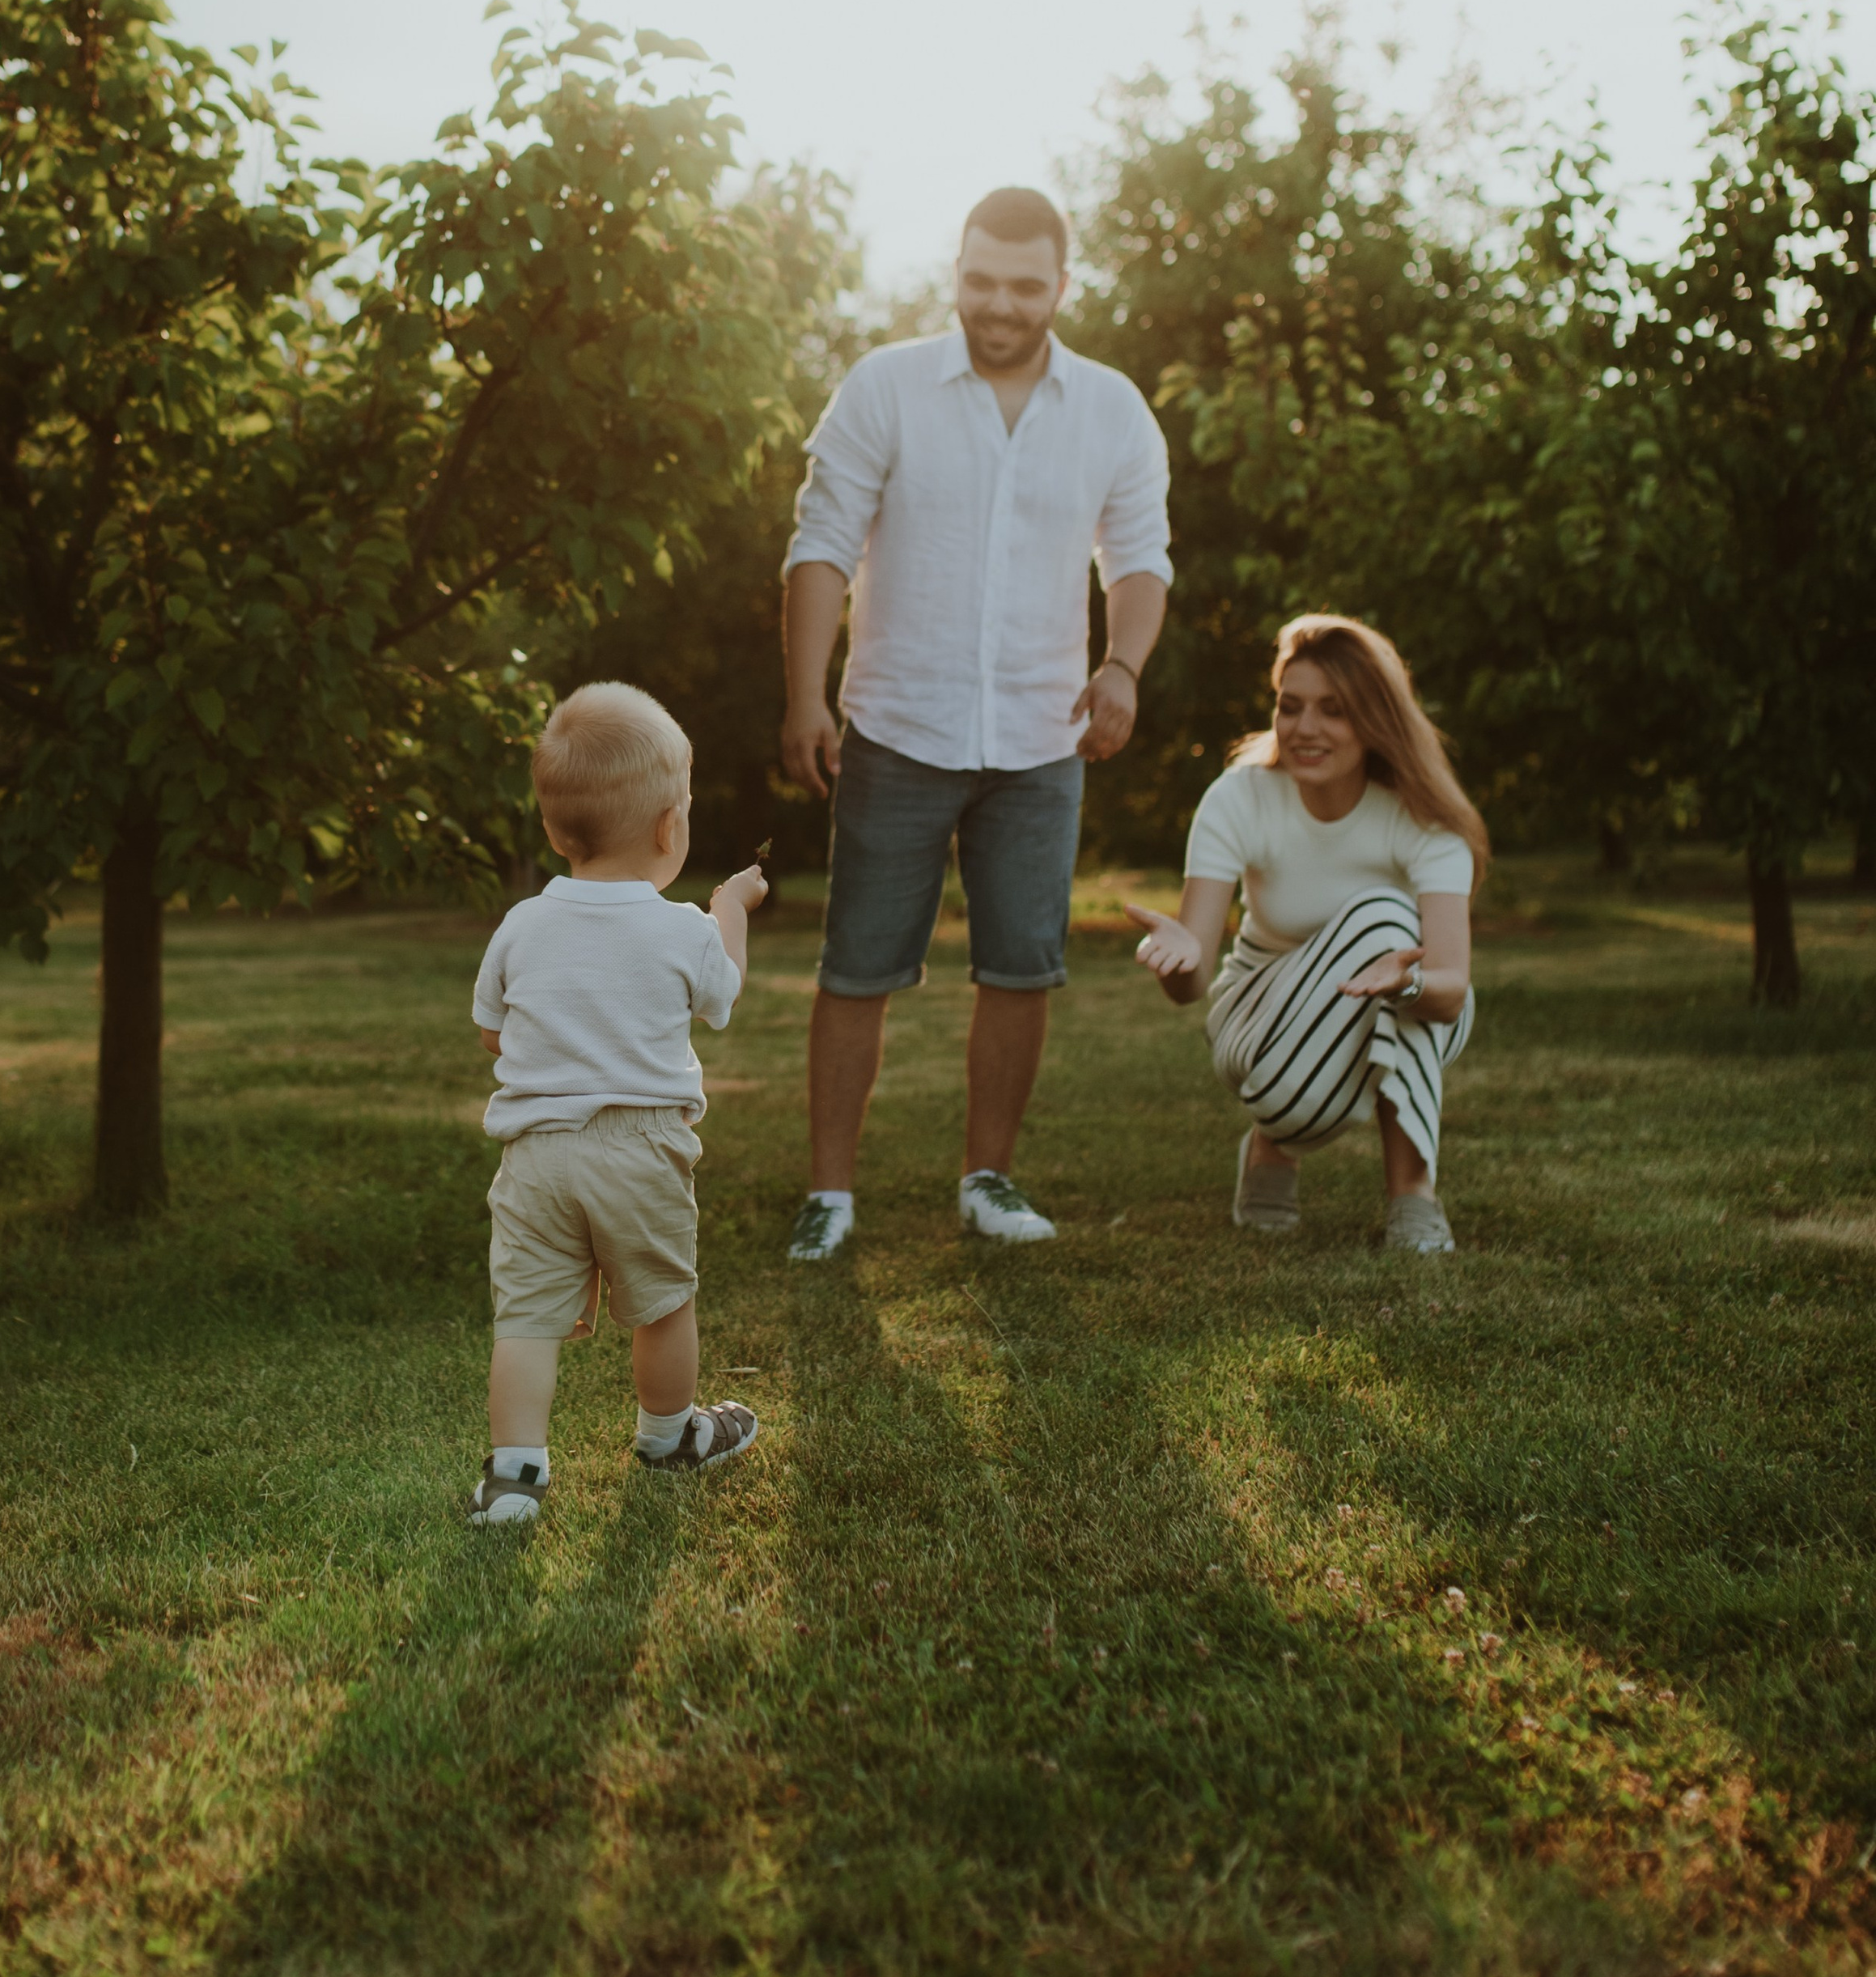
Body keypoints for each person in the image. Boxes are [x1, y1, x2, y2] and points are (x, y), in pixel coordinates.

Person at [779, 185, 1173, 1260]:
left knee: (1021, 966)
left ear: (1061, 286)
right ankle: (829, 1195)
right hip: (897, 724)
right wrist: (805, 694)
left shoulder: (1112, 410)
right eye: (982, 280)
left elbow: (1139, 559)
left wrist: (1122, 666)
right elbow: (821, 544)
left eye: (1024, 286)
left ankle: (986, 1181)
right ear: (956, 271)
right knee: (857, 966)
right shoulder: (885, 386)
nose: (1000, 304)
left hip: (1044, 738)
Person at [464, 681, 770, 1525]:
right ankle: (669, 1435)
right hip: (641, 1149)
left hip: (535, 1154)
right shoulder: (684, 928)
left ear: (554, 829)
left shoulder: (521, 924)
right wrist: (729, 908)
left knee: (526, 1319)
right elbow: (722, 996)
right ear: (671, 828)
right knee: (663, 1302)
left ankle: (515, 1475)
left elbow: (492, 1033)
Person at [1131, 613, 1483, 1255]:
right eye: (1289, 706)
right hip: (1256, 1015)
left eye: (1333, 710)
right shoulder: (1239, 797)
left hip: (1403, 1004)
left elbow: (1451, 989)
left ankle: (1413, 1192)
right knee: (1385, 921)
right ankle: (1273, 1142)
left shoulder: (1425, 818)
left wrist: (1402, 984)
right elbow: (1193, 986)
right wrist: (1180, 961)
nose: (1304, 728)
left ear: (1375, 719)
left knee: (1387, 927)